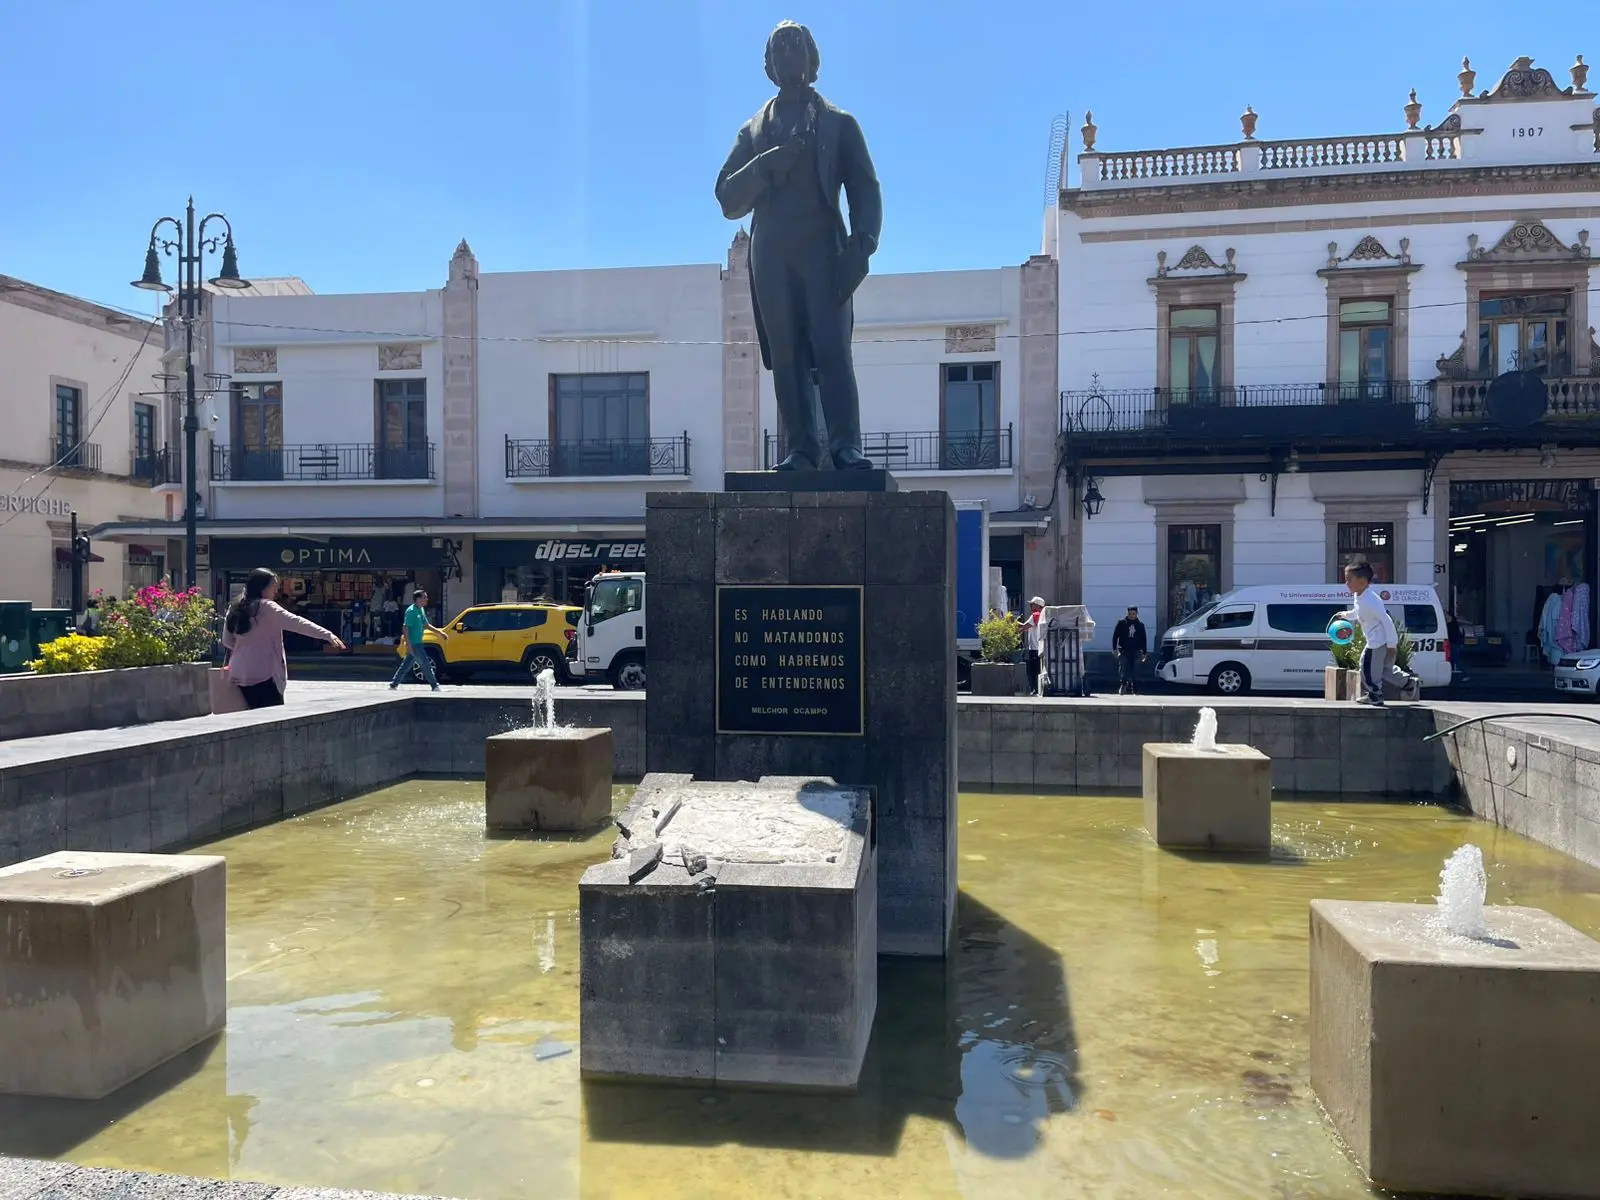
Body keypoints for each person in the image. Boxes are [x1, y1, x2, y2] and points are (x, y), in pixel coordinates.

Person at [714, 20, 882, 471]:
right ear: (769, 65)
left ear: (812, 60)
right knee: (784, 353)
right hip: (771, 254)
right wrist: (765, 166)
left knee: (831, 349)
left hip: (824, 251)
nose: (789, 54)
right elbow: (727, 196)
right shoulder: (753, 133)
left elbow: (865, 189)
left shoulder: (840, 125)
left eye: (796, 46)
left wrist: (862, 246)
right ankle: (801, 449)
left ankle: (847, 446)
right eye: (780, 49)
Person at [221, 568, 345, 709]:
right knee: (272, 719)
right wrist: (327, 635)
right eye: (273, 587)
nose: (276, 591)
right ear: (261, 587)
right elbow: (297, 623)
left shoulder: (235, 607)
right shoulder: (267, 607)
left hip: (238, 672)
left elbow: (227, 641)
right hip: (264, 674)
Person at [1335, 562, 1414, 706]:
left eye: (1349, 579)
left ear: (1363, 581)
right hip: (1378, 641)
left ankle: (1375, 695)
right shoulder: (1359, 596)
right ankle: (1407, 682)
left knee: (1366, 667)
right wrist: (1345, 615)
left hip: (1377, 642)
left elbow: (1386, 620)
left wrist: (1392, 643)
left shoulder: (1371, 600)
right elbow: (1358, 613)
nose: (1346, 583)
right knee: (1384, 669)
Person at [391, 587, 443, 691]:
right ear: (418, 599)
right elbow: (405, 628)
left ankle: (394, 684)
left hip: (418, 642)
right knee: (426, 664)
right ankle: (434, 685)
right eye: (425, 597)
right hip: (414, 644)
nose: (427, 599)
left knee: (406, 665)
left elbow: (426, 625)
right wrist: (409, 645)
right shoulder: (411, 611)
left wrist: (440, 632)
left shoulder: (421, 609)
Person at [1111, 606, 1149, 695]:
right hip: (1123, 649)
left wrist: (1144, 652)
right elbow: (1115, 636)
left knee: (1135, 669)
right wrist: (1114, 649)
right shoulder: (1122, 623)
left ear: (1136, 614)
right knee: (1123, 667)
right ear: (1127, 614)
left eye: (1133, 614)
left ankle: (1134, 687)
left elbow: (1144, 639)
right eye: (1130, 614)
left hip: (1136, 650)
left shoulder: (1140, 625)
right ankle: (1123, 684)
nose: (1132, 615)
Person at [1024, 597, 1047, 695]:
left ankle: (1034, 689)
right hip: (1041, 648)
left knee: (1032, 671)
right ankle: (1038, 689)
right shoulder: (1043, 616)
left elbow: (1023, 627)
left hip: (1034, 648)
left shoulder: (1035, 615)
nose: (1030, 606)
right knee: (1039, 670)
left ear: (1038, 606)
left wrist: (1011, 622)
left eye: (1032, 604)